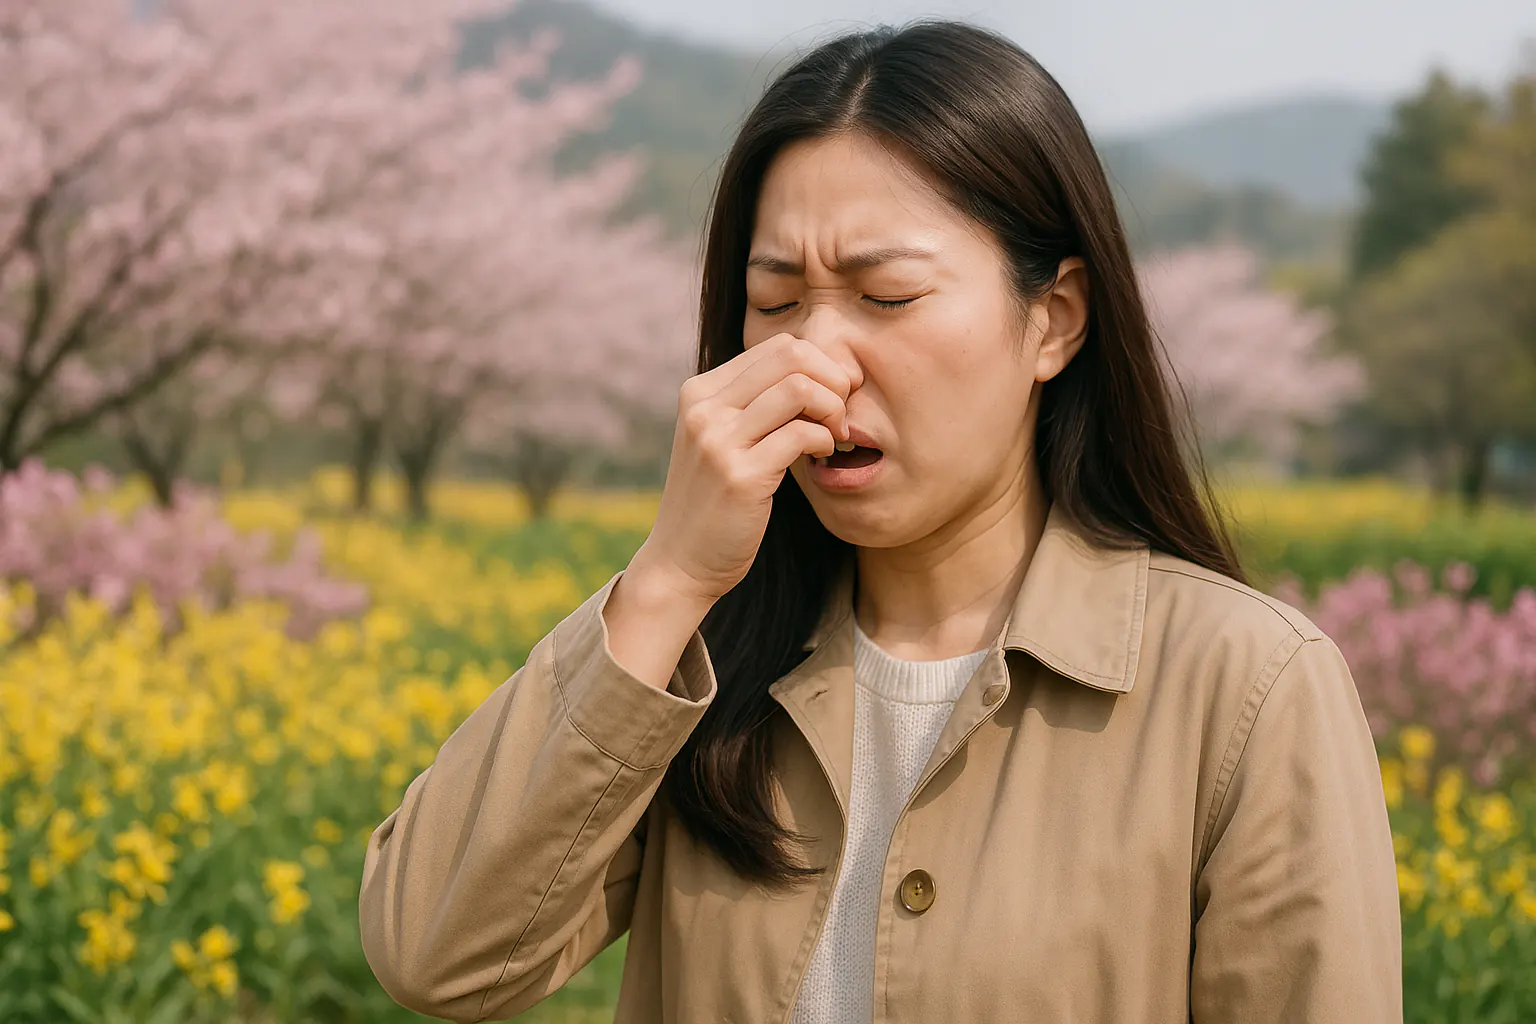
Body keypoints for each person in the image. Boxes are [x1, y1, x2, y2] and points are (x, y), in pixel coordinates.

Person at [358, 19, 1402, 1024]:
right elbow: (437, 954)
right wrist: (670, 576)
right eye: (773, 303)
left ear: (1056, 318)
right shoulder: (704, 668)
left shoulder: (1245, 688)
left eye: (887, 295)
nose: (814, 363)